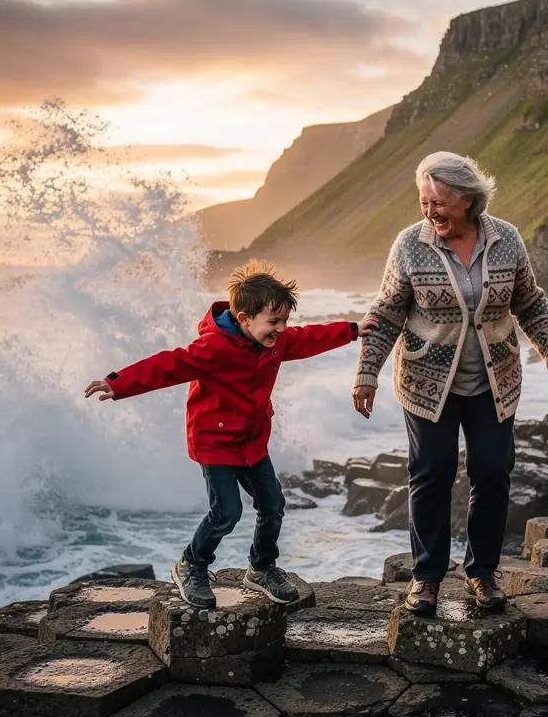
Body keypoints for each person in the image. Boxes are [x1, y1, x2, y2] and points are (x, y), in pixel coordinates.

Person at [85, 260, 377, 610]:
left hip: (252, 442)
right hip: (215, 442)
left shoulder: (276, 342)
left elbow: (309, 337)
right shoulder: (214, 348)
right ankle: (191, 565)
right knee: (226, 512)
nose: (281, 329)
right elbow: (168, 365)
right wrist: (118, 383)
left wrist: (352, 329)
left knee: (273, 505)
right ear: (243, 319)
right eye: (274, 322)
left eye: (285, 321)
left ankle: (261, 567)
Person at [354, 152, 548, 616]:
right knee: (430, 475)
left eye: (439, 202)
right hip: (426, 383)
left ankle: (482, 573)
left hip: (495, 381)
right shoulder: (410, 244)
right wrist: (367, 372)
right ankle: (427, 577)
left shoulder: (506, 238)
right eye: (424, 202)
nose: (430, 212)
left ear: (469, 199)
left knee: (492, 473)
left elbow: (529, 302)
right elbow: (387, 312)